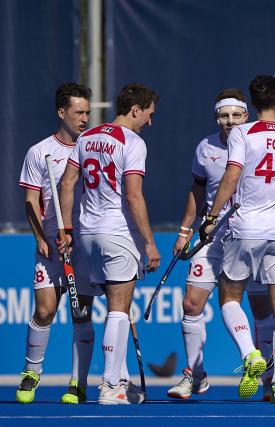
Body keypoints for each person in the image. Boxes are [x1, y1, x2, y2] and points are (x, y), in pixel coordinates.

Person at [199, 75, 275, 404]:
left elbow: (232, 174)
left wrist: (210, 217)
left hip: (247, 228)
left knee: (229, 297)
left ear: (251, 104)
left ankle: (251, 354)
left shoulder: (241, 133)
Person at [167, 88, 275, 400]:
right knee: (191, 303)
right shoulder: (205, 147)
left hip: (249, 234)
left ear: (246, 116)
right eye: (223, 116)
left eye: (236, 116)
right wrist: (185, 230)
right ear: (217, 117)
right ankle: (194, 375)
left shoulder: (259, 143)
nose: (229, 122)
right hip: (210, 234)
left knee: (259, 307)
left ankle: (267, 377)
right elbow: (197, 191)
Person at [58, 83, 161, 404]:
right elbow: (132, 194)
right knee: (118, 310)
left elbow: (67, 183)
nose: (150, 121)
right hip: (117, 234)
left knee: (85, 312)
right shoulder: (133, 142)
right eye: (149, 114)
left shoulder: (87, 137)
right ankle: (111, 385)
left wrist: (66, 229)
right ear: (135, 110)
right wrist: (149, 243)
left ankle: (89, 382)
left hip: (85, 236)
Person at [16, 83, 100, 404]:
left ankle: (78, 384)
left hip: (83, 246)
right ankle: (31, 372)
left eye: (88, 112)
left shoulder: (92, 147)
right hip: (51, 247)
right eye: (79, 112)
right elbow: (30, 200)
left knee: (81, 313)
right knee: (45, 309)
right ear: (61, 112)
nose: (84, 118)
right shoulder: (40, 152)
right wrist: (40, 237)